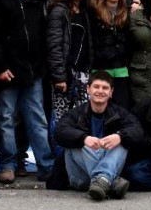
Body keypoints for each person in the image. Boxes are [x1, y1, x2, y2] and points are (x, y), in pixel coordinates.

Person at [0, 0, 55, 185]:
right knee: (5, 119)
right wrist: (0, 67)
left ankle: (46, 166)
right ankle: (8, 164)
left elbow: (41, 35)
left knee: (37, 120)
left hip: (32, 72)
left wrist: (41, 66)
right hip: (8, 72)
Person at [55, 70, 143, 200]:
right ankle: (108, 180)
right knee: (76, 141)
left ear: (111, 92)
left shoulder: (119, 113)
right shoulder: (76, 113)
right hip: (80, 177)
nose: (100, 91)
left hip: (103, 174)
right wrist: (84, 138)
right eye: (96, 87)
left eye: (105, 88)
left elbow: (138, 130)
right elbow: (59, 131)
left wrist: (119, 136)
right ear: (88, 89)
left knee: (121, 141)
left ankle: (102, 180)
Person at [46, 0, 94, 130]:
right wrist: (59, 77)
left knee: (82, 117)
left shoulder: (85, 11)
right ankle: (58, 147)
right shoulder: (59, 10)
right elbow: (54, 46)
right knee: (61, 117)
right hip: (65, 74)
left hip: (82, 73)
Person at [88, 0, 132, 108]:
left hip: (121, 70)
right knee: (99, 109)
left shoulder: (127, 11)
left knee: (121, 110)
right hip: (99, 70)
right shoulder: (93, 11)